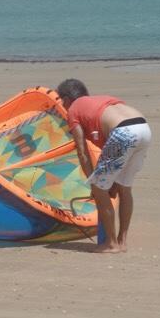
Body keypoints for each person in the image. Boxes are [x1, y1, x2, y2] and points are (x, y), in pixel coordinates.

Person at [57, 79, 151, 253]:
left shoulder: (74, 109)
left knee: (100, 189)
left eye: (62, 101)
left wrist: (93, 183)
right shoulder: (101, 100)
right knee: (124, 188)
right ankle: (122, 241)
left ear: (66, 99)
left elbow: (82, 152)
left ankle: (111, 243)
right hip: (143, 127)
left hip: (123, 133)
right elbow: (114, 152)